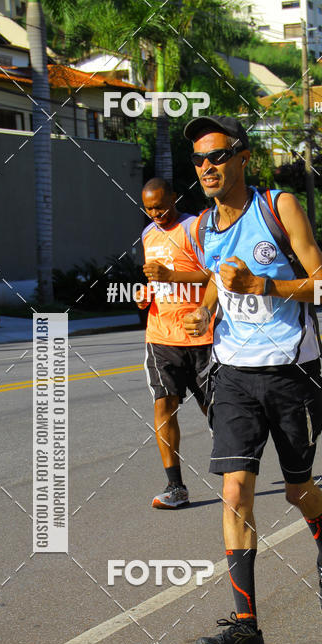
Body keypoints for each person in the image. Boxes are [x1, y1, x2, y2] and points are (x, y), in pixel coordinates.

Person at [182, 114, 322, 644]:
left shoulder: (279, 207)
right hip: (232, 374)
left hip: (290, 376)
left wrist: (265, 285)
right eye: (199, 159)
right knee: (235, 490)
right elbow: (214, 279)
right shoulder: (204, 226)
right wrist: (204, 312)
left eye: (217, 156)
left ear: (242, 157)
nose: (206, 166)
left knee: (299, 490)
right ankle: (246, 624)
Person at [136, 177, 213, 508]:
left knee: (216, 409)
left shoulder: (194, 228)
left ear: (175, 197)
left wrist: (172, 277)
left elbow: (215, 275)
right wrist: (145, 293)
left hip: (200, 334)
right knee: (164, 406)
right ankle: (175, 487)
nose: (156, 213)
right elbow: (155, 280)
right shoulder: (148, 234)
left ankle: (236, 459)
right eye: (149, 208)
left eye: (161, 206)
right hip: (161, 336)